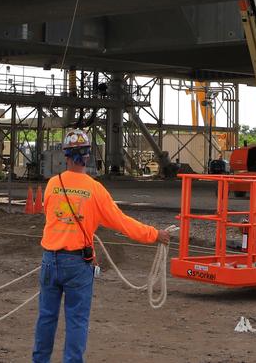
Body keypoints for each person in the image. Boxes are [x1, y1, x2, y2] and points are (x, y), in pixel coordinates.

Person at [31, 129, 173, 363]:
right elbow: (122, 223)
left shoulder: (52, 185)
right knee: (77, 320)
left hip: (50, 260)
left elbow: (52, 218)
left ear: (65, 155)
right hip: (78, 265)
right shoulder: (95, 190)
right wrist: (155, 234)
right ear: (88, 156)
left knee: (46, 318)